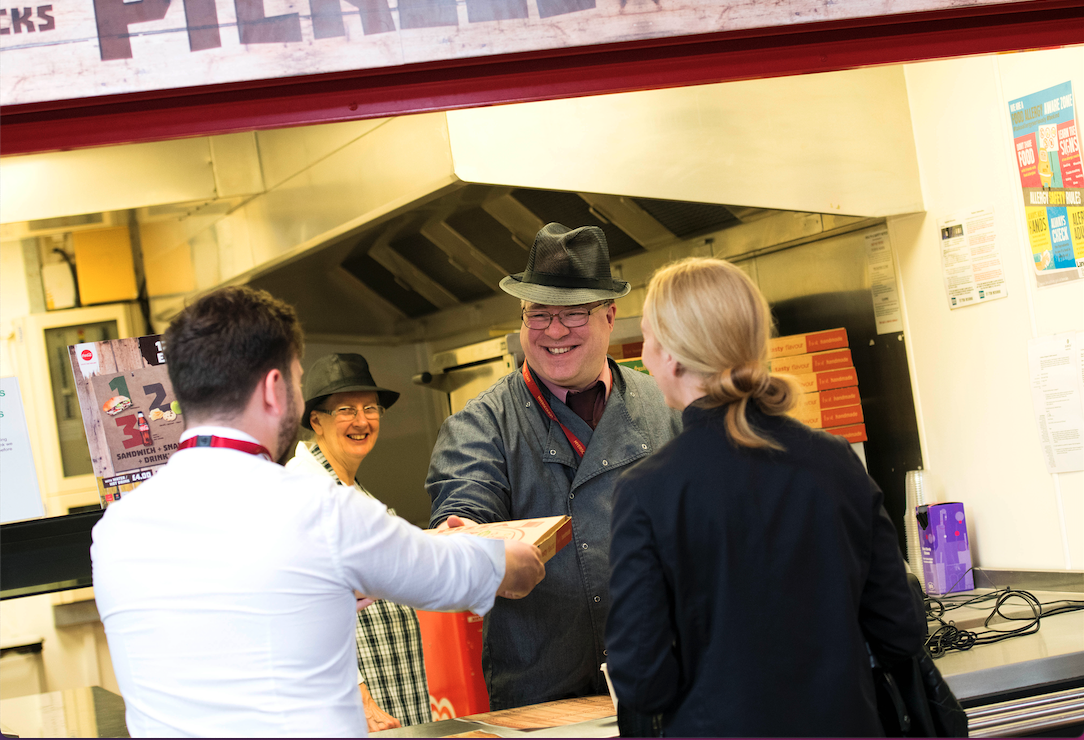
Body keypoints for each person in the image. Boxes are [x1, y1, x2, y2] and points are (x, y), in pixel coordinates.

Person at [92, 286, 545, 738]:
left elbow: (227, 619)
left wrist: (323, 590)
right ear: (274, 389)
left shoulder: (114, 530)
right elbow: (483, 571)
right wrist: (518, 549)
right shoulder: (318, 507)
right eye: (296, 378)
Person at [605, 257, 926, 737]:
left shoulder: (646, 492)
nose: (646, 355)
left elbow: (642, 682)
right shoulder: (836, 462)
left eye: (648, 339)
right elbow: (900, 632)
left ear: (670, 356)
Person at [426, 223, 683, 710]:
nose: (555, 330)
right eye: (538, 314)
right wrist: (465, 540)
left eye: (574, 314)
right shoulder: (482, 423)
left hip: (664, 683)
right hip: (541, 698)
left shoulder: (666, 404)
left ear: (610, 316)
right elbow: (463, 502)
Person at [286, 352, 429, 732]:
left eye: (370, 408)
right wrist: (357, 696)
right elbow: (303, 610)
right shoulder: (306, 492)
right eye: (346, 409)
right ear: (316, 421)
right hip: (356, 708)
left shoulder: (351, 492)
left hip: (394, 694)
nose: (362, 421)